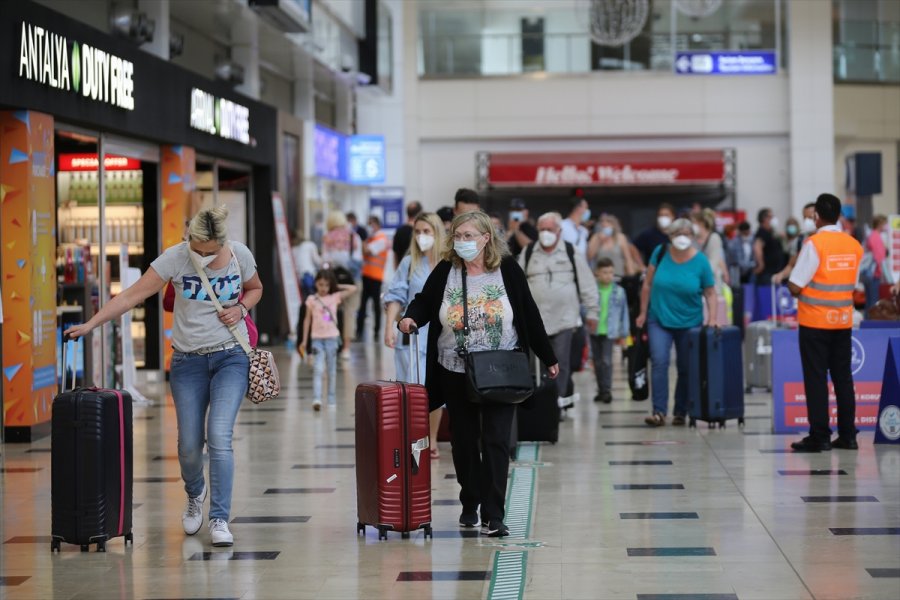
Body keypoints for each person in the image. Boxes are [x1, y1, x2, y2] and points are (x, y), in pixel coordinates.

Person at [64, 206, 262, 548]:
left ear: (222, 243)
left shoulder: (239, 255)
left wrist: (241, 308)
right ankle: (194, 492)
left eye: (210, 251)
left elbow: (255, 288)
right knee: (188, 445)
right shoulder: (174, 258)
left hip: (231, 357)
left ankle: (219, 518)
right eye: (197, 250)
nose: (203, 256)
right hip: (187, 363)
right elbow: (131, 295)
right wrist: (90, 324)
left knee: (219, 436)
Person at [398, 211, 558, 538]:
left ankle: (494, 513)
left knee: (497, 441)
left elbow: (528, 313)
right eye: (458, 236)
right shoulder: (447, 270)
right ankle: (470, 500)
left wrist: (548, 355)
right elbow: (425, 302)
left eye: (470, 236)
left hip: (501, 368)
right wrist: (410, 318)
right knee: (465, 442)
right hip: (455, 370)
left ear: (487, 238)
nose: (463, 242)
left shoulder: (508, 270)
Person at [787, 194, 863, 452]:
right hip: (842, 321)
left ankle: (819, 435)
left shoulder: (814, 244)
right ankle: (848, 435)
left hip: (815, 321)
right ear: (839, 215)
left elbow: (796, 284)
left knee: (816, 378)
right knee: (844, 378)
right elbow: (852, 284)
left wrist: (793, 288)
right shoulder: (854, 245)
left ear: (817, 216)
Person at [635, 218, 717, 427]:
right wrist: (643, 312)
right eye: (677, 233)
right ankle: (659, 411)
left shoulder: (701, 261)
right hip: (658, 318)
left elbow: (710, 292)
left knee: (685, 367)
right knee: (659, 361)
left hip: (690, 322)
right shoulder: (660, 252)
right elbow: (647, 285)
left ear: (692, 236)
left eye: (686, 233)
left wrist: (713, 318)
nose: (682, 237)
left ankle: (681, 410)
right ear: (670, 236)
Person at [520, 211, 599, 410]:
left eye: (550, 229)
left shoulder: (571, 252)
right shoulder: (529, 252)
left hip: (564, 320)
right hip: (535, 322)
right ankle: (537, 404)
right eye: (542, 229)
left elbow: (588, 285)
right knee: (532, 366)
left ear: (559, 231)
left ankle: (556, 404)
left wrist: (592, 312)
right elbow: (516, 282)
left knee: (560, 363)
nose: (546, 233)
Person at [384, 212, 446, 458]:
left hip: (439, 335)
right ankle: (413, 438)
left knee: (435, 391)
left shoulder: (447, 264)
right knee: (411, 389)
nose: (422, 237)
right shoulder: (409, 263)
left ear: (437, 233)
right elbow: (396, 295)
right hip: (411, 336)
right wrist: (390, 326)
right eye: (418, 232)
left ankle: (430, 440)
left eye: (427, 232)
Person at [300, 269, 357, 411]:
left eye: (326, 285)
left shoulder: (335, 296)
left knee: (331, 369)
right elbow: (307, 320)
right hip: (316, 339)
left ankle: (331, 397)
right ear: (315, 284)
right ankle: (317, 398)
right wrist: (304, 341)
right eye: (320, 284)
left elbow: (353, 288)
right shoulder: (311, 300)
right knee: (318, 369)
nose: (323, 288)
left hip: (332, 338)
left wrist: (337, 286)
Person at [321, 211, 363, 357]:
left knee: (329, 311)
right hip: (352, 281)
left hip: (333, 281)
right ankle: (346, 349)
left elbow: (324, 261)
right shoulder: (354, 237)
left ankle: (330, 345)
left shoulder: (327, 238)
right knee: (349, 313)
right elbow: (358, 260)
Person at [590, 257, 630, 404]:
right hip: (593, 331)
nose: (608, 275)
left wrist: (624, 334)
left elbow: (624, 314)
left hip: (609, 331)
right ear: (597, 274)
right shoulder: (592, 291)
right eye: (605, 272)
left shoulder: (619, 292)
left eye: (611, 272)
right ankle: (601, 389)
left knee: (607, 361)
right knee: (597, 361)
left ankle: (607, 390)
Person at [357, 215, 389, 342]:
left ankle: (376, 331)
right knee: (363, 304)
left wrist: (363, 240)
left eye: (371, 224)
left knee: (376, 305)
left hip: (375, 276)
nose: (370, 227)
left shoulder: (381, 238)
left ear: (377, 224)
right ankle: (359, 331)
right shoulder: (372, 238)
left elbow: (367, 251)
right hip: (366, 275)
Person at [773, 203, 816, 285]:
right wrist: (781, 275)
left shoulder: (828, 238)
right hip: (806, 290)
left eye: (810, 218)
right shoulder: (799, 241)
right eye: (804, 218)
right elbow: (791, 265)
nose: (807, 221)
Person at [862, 214, 888, 315]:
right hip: (873, 273)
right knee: (873, 299)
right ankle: (870, 322)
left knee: (869, 300)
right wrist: (883, 271)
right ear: (880, 224)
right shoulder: (875, 236)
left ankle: (866, 320)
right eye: (885, 224)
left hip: (868, 273)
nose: (886, 226)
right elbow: (879, 256)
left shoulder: (871, 235)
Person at [753, 208, 784, 285]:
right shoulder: (762, 232)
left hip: (775, 271)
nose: (773, 219)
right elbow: (757, 248)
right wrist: (761, 265)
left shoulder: (771, 232)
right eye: (771, 217)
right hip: (767, 273)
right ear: (764, 218)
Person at [392, 201, 423, 268]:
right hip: (418, 270)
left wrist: (397, 272)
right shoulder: (421, 232)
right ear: (420, 213)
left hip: (402, 269)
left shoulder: (399, 231)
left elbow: (395, 256)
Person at [291, 231, 320, 299]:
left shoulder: (293, 249)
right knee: (314, 298)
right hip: (310, 275)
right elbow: (317, 260)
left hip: (299, 278)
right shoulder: (309, 244)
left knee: (305, 299)